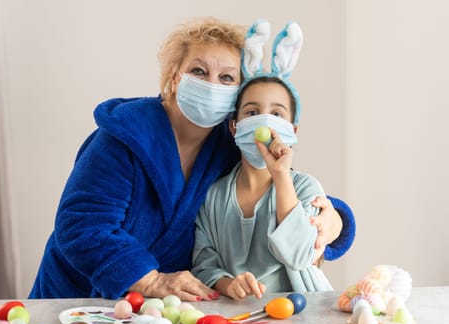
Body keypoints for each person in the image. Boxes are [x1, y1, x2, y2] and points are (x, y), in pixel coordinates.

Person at [28, 17, 355, 302]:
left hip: (161, 311)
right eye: (199, 71)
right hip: (80, 296)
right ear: (174, 79)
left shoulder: (228, 145)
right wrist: (152, 279)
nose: (212, 84)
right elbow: (81, 224)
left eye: (227, 78)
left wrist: (333, 220)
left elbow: (272, 184)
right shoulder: (123, 139)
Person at [191, 20, 335, 301]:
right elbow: (203, 263)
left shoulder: (306, 189)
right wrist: (226, 283)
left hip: (303, 312)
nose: (264, 123)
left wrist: (281, 176)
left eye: (277, 114)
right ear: (234, 126)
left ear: (292, 131)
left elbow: (299, 255)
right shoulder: (213, 196)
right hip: (238, 315)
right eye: (252, 112)